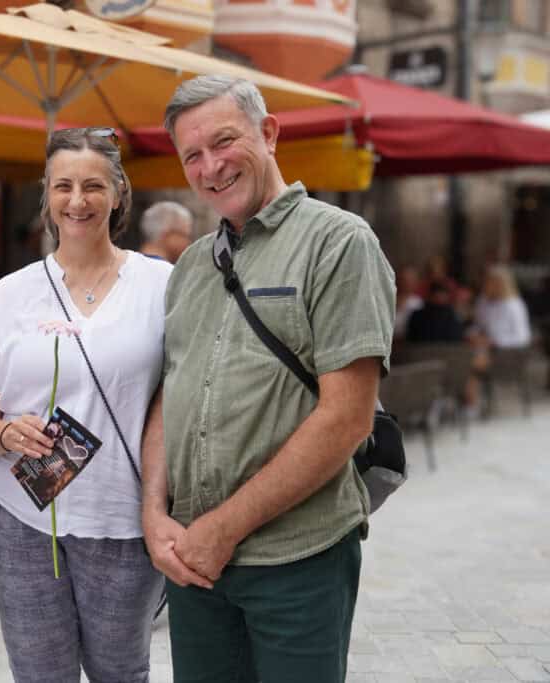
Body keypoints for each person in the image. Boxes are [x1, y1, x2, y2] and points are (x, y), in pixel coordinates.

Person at [142, 75, 394, 683]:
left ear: (270, 133)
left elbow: (346, 418)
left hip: (297, 560)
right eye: (192, 156)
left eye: (224, 141)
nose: (211, 166)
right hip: (195, 566)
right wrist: (153, 513)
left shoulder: (338, 241)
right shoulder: (192, 267)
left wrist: (221, 530)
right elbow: (170, 394)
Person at [0, 127, 171, 682]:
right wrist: (6, 435)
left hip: (123, 521)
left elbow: (182, 399)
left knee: (121, 673)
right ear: (47, 196)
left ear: (119, 193)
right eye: (64, 187)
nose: (78, 201)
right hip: (21, 518)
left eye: (93, 186)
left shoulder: (162, 286)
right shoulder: (12, 293)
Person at [473, 265, 532, 350]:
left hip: (508, 352)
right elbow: (479, 325)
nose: (485, 285)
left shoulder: (514, 305)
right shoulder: (482, 301)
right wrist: (473, 335)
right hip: (484, 350)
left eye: (491, 282)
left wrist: (495, 341)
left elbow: (523, 337)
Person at [393, 265, 424, 340]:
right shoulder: (388, 301)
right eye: (403, 279)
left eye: (410, 280)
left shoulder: (418, 303)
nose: (405, 283)